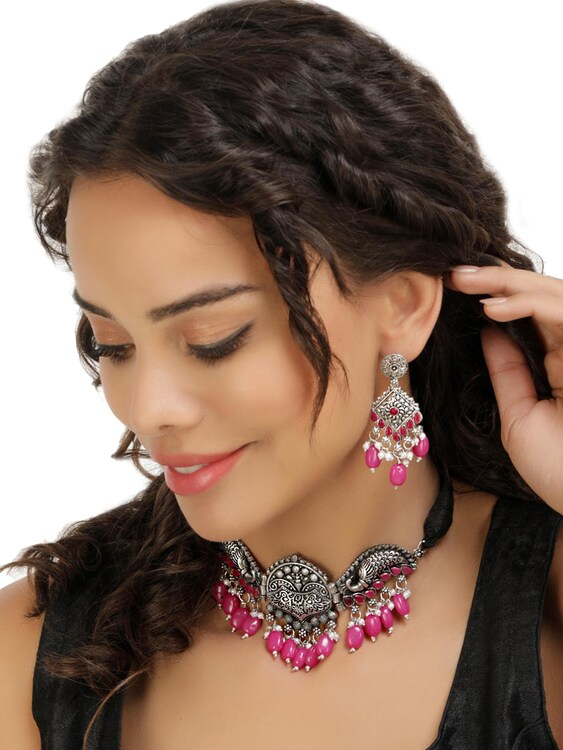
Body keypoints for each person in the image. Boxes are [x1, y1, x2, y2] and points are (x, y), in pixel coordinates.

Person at [1, 0, 562, 747]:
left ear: (401, 305)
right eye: (114, 344)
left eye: (213, 340)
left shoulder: (547, 607)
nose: (148, 407)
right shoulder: (30, 654)